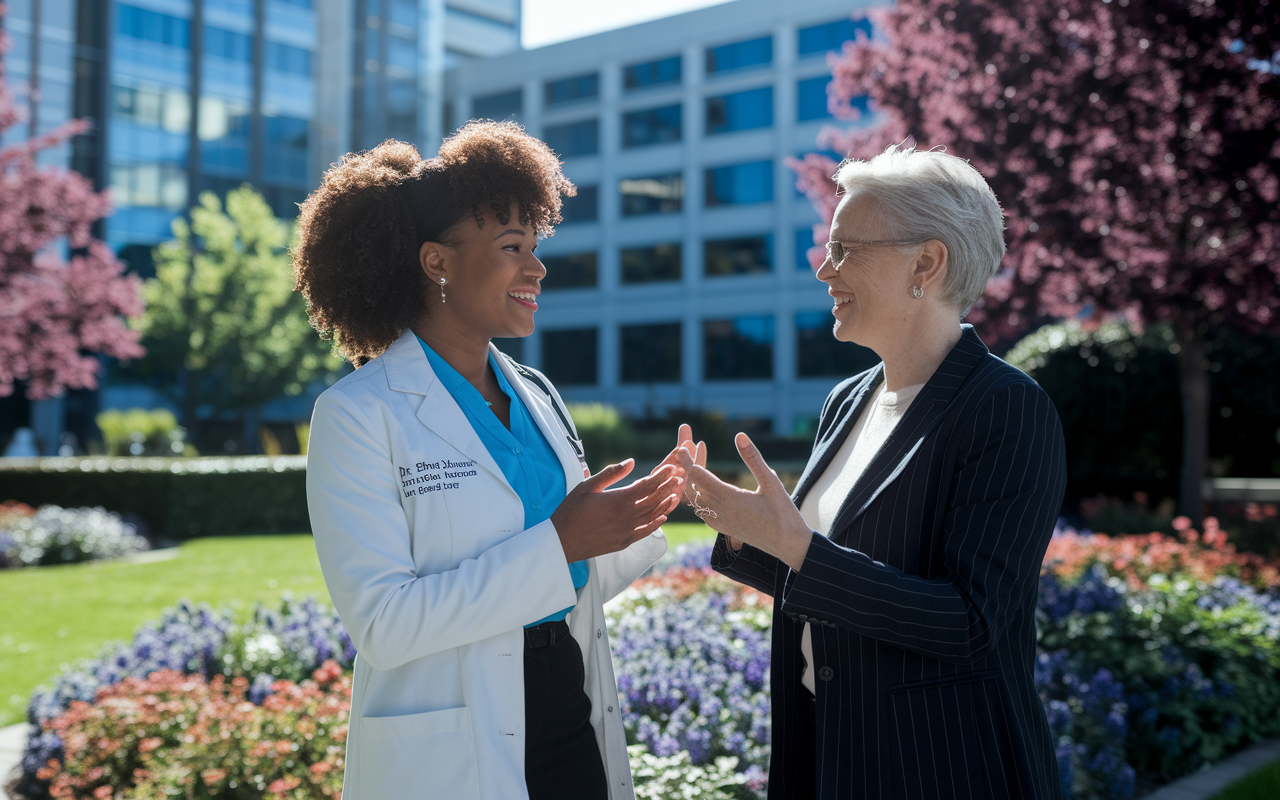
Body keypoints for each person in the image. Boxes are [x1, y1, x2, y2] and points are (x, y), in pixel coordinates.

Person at [295, 121, 686, 800]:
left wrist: (649, 511)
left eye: (534, 247)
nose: (536, 268)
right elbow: (385, 625)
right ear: (435, 261)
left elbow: (569, 573)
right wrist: (562, 539)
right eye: (512, 248)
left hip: (568, 710)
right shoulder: (358, 414)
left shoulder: (536, 394)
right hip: (448, 749)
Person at [675, 143, 1068, 799]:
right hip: (826, 752)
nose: (826, 271)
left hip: (941, 769)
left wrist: (795, 543)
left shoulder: (1008, 408)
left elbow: (972, 623)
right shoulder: (846, 400)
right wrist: (742, 526)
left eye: (848, 249)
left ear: (927, 262)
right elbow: (820, 574)